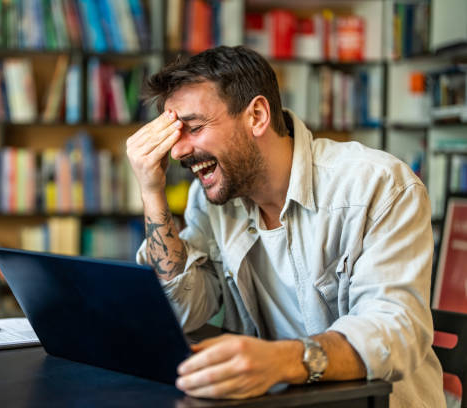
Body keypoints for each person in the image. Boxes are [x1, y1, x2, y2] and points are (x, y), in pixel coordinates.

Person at [125, 46, 445, 407]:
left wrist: (280, 361)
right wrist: (152, 192)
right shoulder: (212, 201)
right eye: (172, 134)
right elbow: (180, 311)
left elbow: (394, 332)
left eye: (193, 128)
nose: (178, 152)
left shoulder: (378, 186)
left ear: (257, 116)